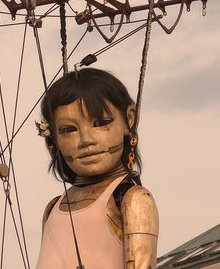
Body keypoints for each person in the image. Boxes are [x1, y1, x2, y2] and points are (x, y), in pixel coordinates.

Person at [35, 68, 158, 269]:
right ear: (54, 137)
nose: (86, 140)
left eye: (101, 123)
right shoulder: (52, 210)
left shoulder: (133, 200)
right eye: (69, 130)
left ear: (129, 119)